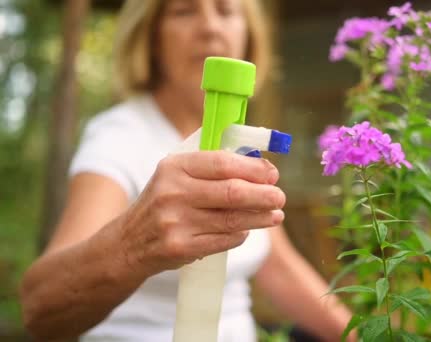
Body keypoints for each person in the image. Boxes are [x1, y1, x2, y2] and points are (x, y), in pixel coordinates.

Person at [19, 0, 355, 341]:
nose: (209, 27)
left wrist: (360, 334)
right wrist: (134, 242)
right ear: (152, 38)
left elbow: (280, 268)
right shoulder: (119, 137)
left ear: (248, 36)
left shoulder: (235, 140)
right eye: (184, 11)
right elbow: (39, 309)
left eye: (225, 11)